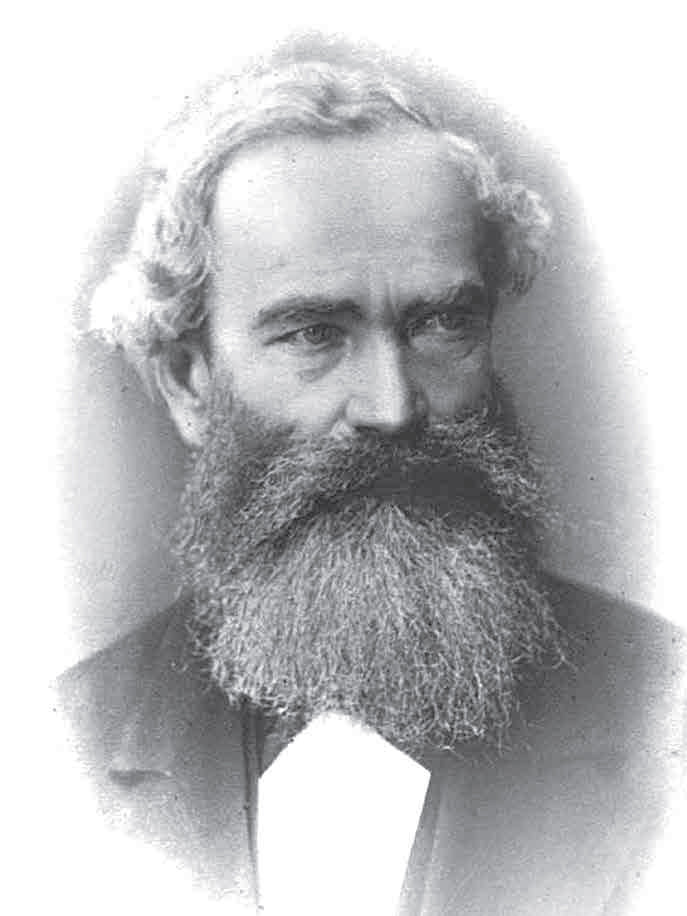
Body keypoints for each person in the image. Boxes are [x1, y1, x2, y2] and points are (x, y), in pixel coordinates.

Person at [57, 42, 685, 915]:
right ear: (187, 382)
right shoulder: (54, 755)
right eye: (313, 334)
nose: (392, 408)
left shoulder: (663, 714)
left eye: (441, 323)